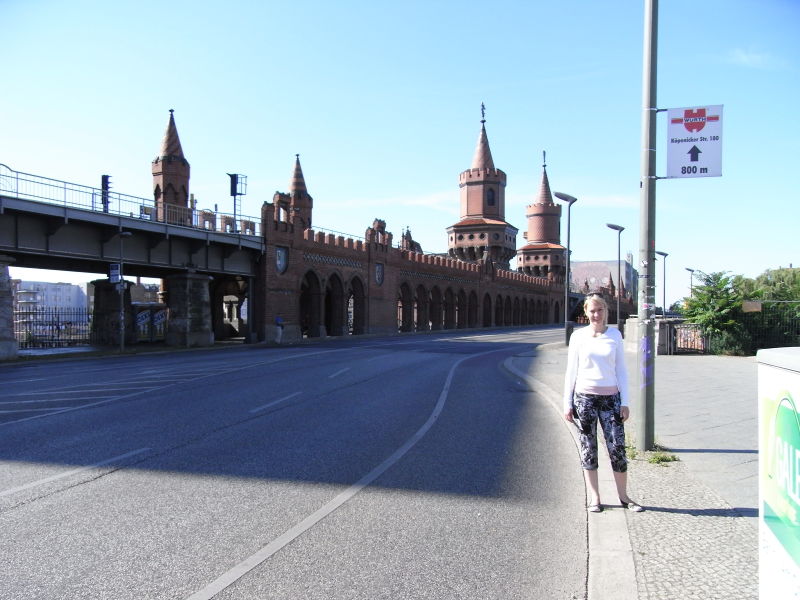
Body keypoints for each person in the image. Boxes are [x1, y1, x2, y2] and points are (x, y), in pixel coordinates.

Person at [563, 294, 644, 513]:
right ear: (586, 313)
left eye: (600, 310)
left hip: (611, 399)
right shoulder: (578, 337)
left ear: (606, 311)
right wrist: (567, 403)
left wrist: (625, 402)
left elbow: (621, 371)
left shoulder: (615, 335)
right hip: (584, 398)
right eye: (592, 311)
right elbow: (571, 371)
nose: (596, 315)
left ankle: (624, 497)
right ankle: (595, 497)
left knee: (617, 448)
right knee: (588, 448)